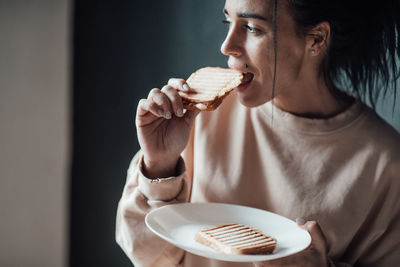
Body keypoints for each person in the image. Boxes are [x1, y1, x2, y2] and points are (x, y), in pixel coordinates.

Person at [116, 0, 400, 266]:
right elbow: (146, 254)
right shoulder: (197, 118)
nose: (227, 46)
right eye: (228, 22)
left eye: (252, 28)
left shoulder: (386, 165)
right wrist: (159, 165)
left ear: (316, 39)